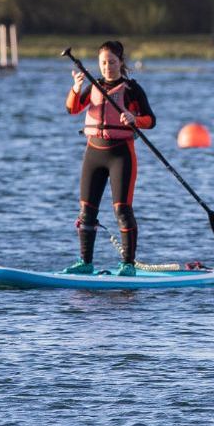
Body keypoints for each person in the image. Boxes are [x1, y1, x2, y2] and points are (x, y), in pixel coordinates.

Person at [63, 41, 155, 276]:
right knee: (86, 211)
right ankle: (85, 263)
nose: (107, 67)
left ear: (121, 63)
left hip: (120, 155)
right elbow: (72, 109)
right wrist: (75, 88)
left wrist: (134, 119)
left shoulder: (132, 89)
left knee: (122, 210)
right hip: (94, 153)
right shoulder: (93, 86)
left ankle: (128, 265)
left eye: (112, 62)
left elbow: (150, 120)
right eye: (103, 63)